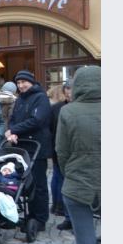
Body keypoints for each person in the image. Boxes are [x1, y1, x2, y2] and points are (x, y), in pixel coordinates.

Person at [56, 66, 101, 244]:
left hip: (78, 183)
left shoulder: (69, 112)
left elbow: (61, 151)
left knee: (85, 240)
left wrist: (69, 173)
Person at [5, 70, 52, 232]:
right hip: (22, 148)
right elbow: (13, 120)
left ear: (31, 82)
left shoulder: (41, 98)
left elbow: (37, 120)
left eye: (24, 82)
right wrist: (12, 131)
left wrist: (15, 130)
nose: (21, 85)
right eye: (18, 83)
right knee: (27, 184)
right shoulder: (20, 100)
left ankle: (40, 219)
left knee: (39, 185)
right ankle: (30, 215)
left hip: (37, 147)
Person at [50, 81, 74, 229]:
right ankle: (64, 212)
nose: (69, 92)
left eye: (72, 89)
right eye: (68, 89)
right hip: (59, 150)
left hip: (79, 152)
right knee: (60, 179)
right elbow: (51, 130)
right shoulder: (56, 109)